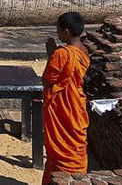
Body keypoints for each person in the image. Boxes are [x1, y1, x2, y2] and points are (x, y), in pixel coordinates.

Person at [41, 11, 91, 185]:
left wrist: (51, 54)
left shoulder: (62, 54)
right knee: (74, 148)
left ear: (66, 32)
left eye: (58, 30)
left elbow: (47, 81)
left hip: (62, 107)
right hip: (76, 105)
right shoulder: (84, 50)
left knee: (60, 150)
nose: (57, 33)